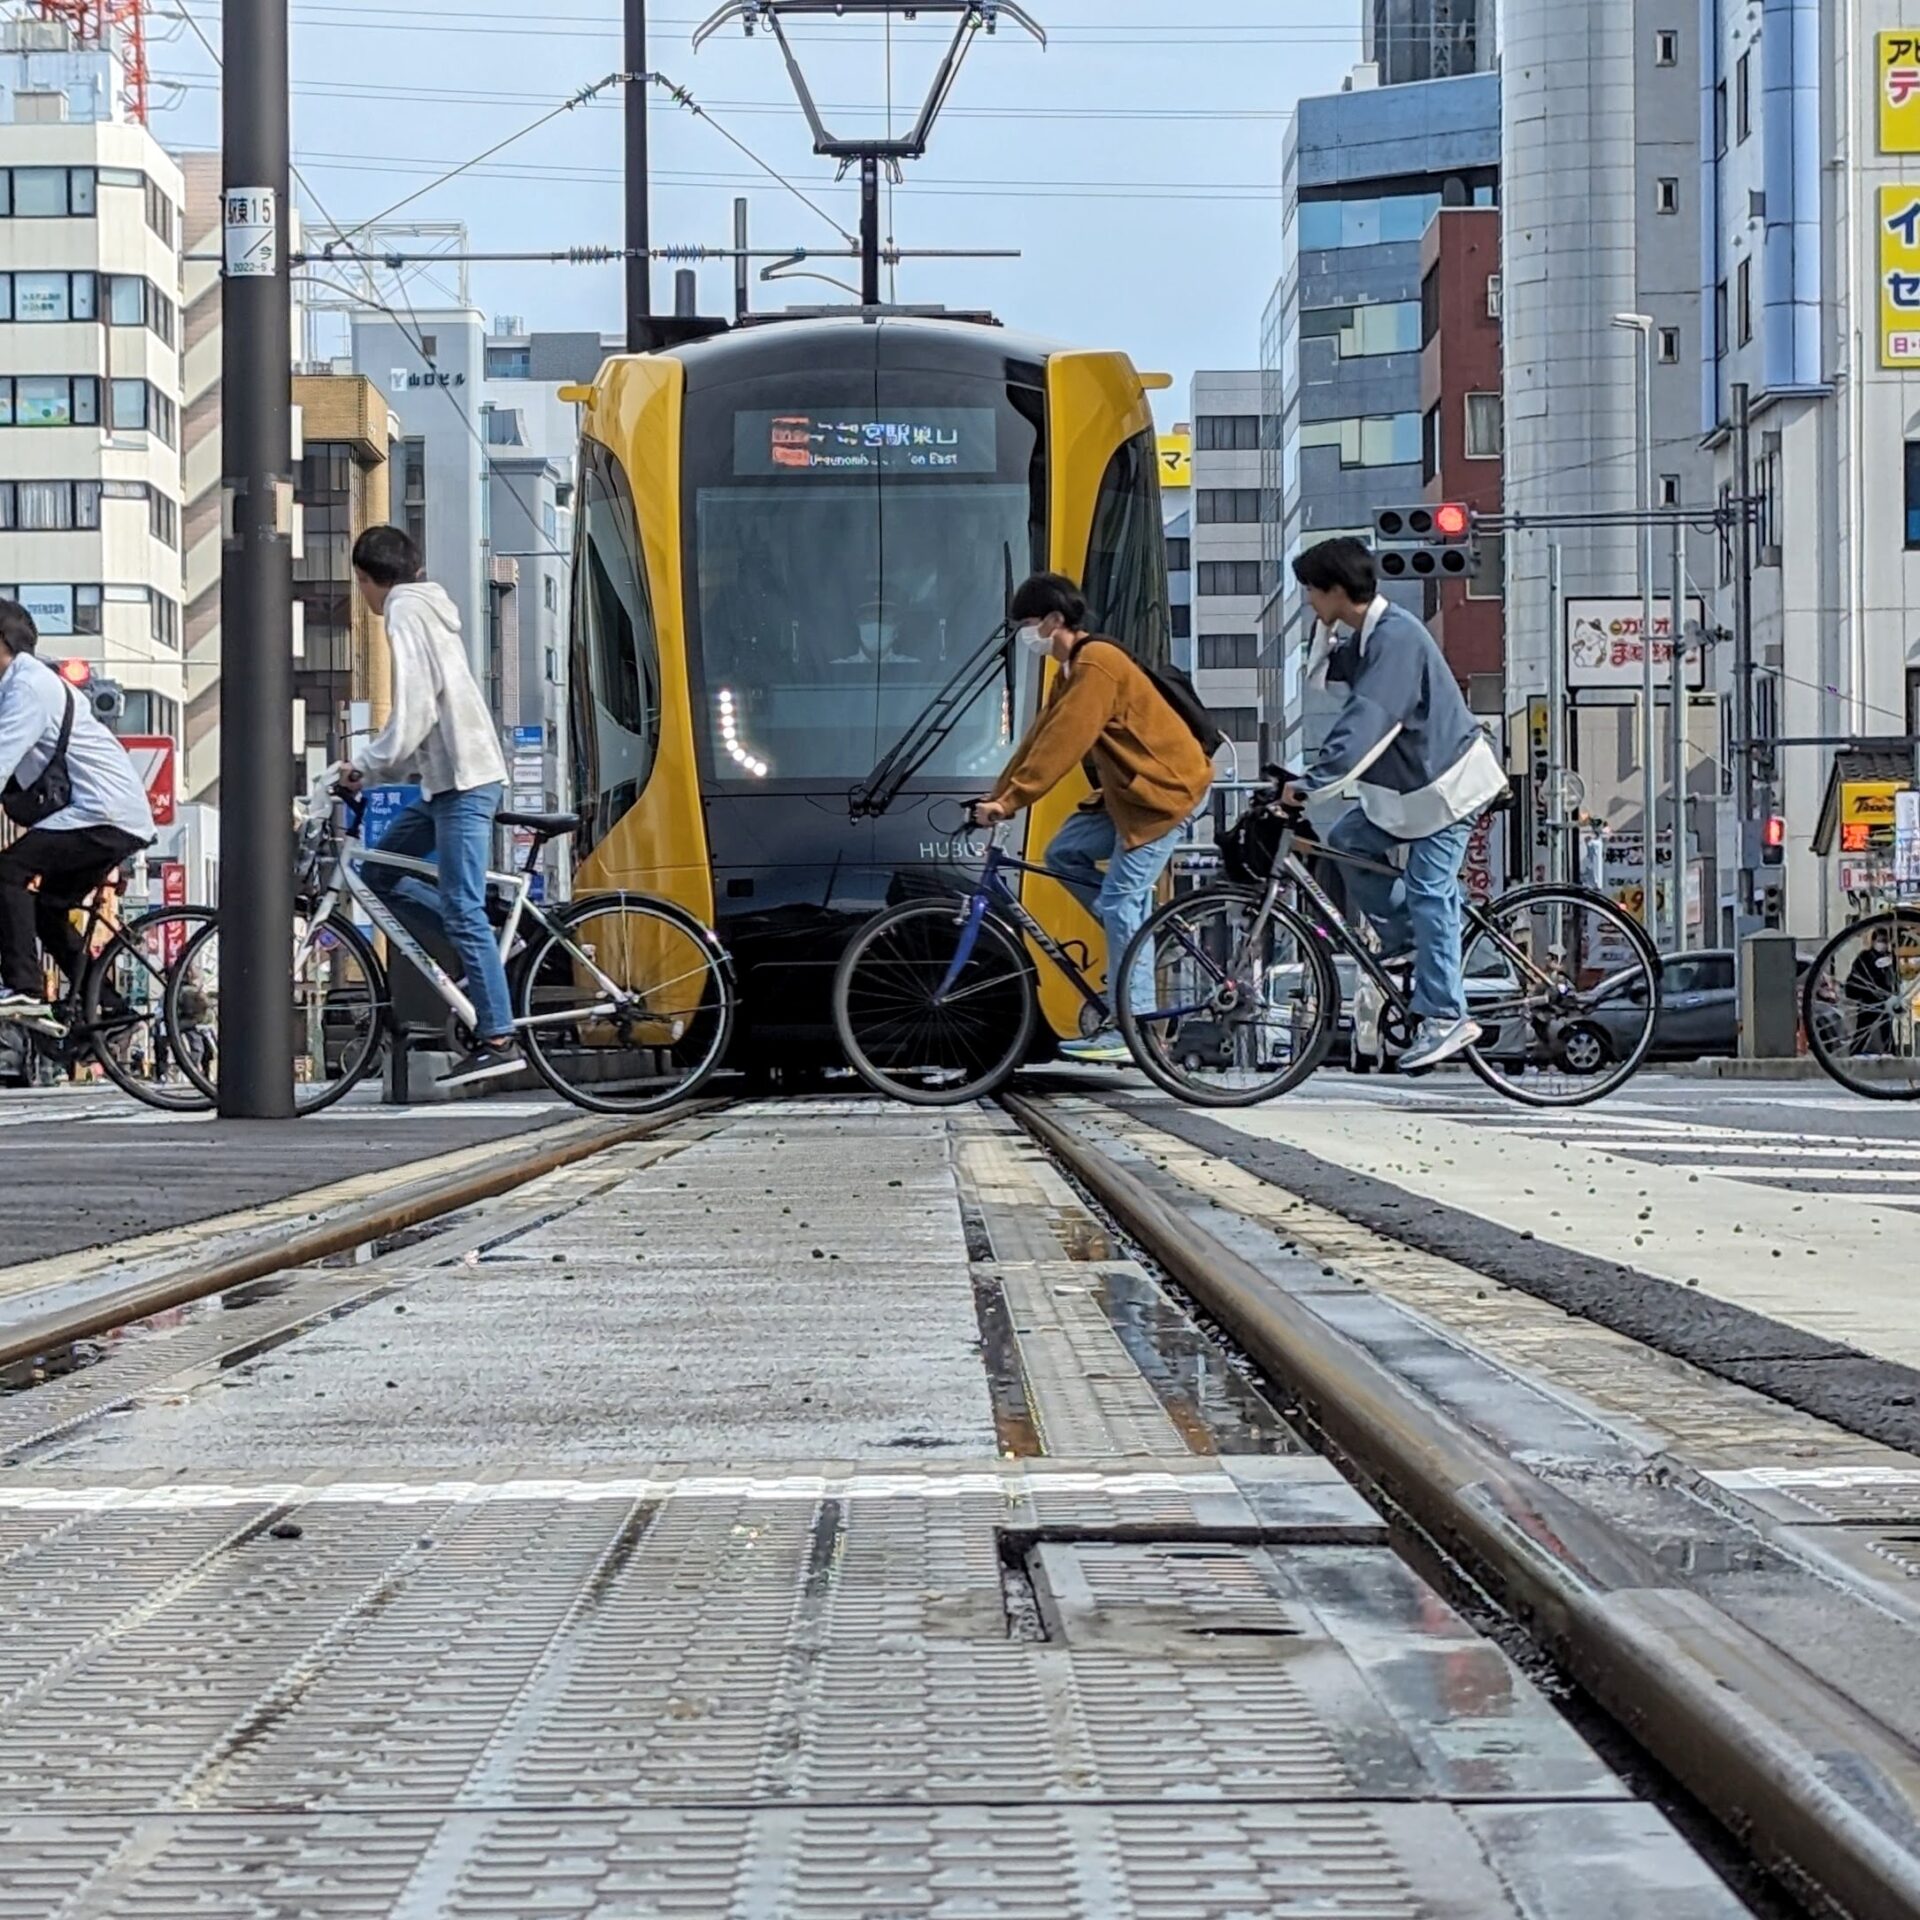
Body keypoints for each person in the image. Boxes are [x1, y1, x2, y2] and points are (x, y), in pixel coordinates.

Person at [971, 571, 1214, 1062]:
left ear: (1056, 620)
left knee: (1123, 903)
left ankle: (1133, 1023)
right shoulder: (1070, 669)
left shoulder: (1098, 663)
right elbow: (1041, 735)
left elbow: (1067, 741)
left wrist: (1012, 802)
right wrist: (997, 794)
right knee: (1064, 853)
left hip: (1166, 796)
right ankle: (1130, 927)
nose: (1026, 635)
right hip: (1128, 798)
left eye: (1029, 624)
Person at [1286, 537, 1506, 1073]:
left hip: (1447, 788)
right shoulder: (1368, 639)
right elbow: (1320, 677)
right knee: (1347, 841)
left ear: (1338, 590)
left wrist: (1312, 781)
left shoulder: (1396, 638)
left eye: (1313, 591)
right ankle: (1409, 939)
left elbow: (1369, 719)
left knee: (1432, 889)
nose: (1308, 601)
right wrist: (1329, 626)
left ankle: (1446, 1014)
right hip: (1408, 793)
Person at [343, 525, 517, 1087]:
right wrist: (380, 763)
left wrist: (365, 766)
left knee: (462, 907)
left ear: (368, 579)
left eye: (361, 584)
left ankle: (497, 1035)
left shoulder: (404, 611)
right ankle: (485, 948)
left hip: (465, 782)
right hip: (443, 783)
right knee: (377, 875)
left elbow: (413, 710)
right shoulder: (426, 604)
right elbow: (424, 716)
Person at [0, 599, 154, 1029]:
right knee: (49, 908)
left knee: (8, 870)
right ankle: (108, 1006)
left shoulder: (27, 688)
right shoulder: (18, 686)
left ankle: (25, 989)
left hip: (101, 813)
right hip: (108, 814)